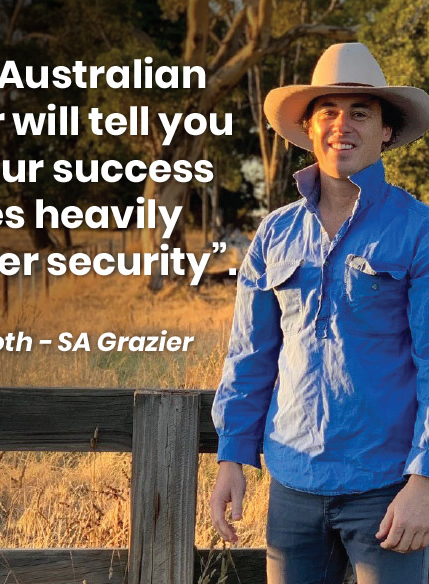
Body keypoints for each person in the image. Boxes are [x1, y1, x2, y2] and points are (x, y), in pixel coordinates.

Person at [210, 42, 429, 583]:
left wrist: (424, 482)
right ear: (308, 128)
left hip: (387, 489)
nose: (342, 125)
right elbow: (250, 355)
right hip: (293, 487)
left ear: (385, 131)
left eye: (360, 111)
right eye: (328, 111)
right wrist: (231, 459)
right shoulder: (275, 233)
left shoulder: (418, 228)